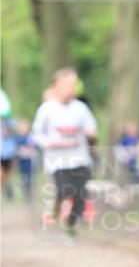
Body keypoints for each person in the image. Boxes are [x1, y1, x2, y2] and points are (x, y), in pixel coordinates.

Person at [31, 68, 98, 236]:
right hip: (57, 161)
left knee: (80, 195)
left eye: (73, 85)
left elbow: (91, 127)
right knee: (64, 190)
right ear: (56, 87)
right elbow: (36, 135)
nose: (71, 89)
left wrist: (91, 133)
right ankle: (56, 206)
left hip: (79, 159)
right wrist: (49, 142)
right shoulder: (47, 109)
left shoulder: (81, 108)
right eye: (67, 85)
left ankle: (71, 223)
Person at [15, 118, 37, 201]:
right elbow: (16, 149)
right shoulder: (18, 139)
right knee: (24, 179)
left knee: (32, 178)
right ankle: (25, 194)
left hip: (31, 162)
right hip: (22, 163)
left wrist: (29, 151)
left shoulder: (30, 137)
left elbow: (33, 146)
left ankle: (31, 193)